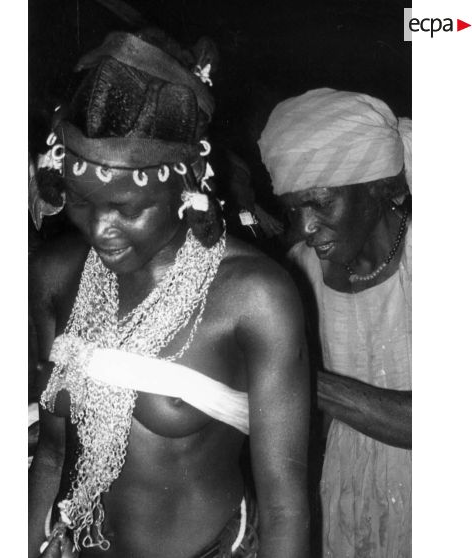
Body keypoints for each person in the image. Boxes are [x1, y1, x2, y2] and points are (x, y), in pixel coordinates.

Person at [28, 29, 311, 558]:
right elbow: (51, 452)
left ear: (187, 187)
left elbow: (286, 508)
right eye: (83, 202)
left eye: (130, 209)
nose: (101, 231)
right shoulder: (55, 274)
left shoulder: (252, 296)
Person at [259, 88, 412, 558]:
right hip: (346, 498)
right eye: (293, 209)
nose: (305, 226)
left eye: (320, 203)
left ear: (378, 187)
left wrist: (291, 376)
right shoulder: (297, 275)